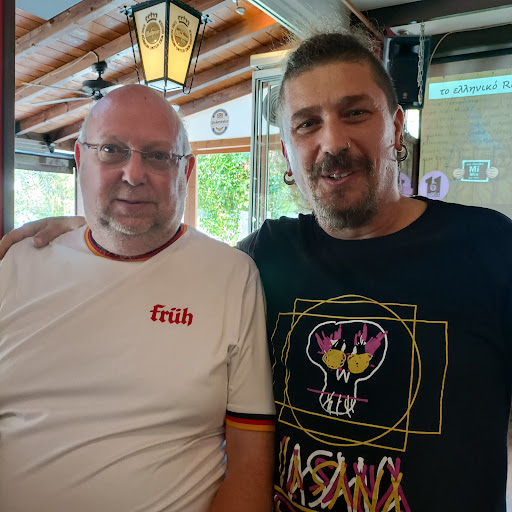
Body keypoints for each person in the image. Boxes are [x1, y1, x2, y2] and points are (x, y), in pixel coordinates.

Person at [2, 31, 512, 512]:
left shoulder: (490, 247)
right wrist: (91, 228)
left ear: (396, 128)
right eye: (306, 124)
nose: (333, 141)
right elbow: (156, 258)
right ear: (286, 151)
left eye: (355, 113)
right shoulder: (263, 257)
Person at [0, 85, 275, 512]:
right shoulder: (15, 264)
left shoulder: (232, 276)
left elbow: (250, 465)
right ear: (80, 160)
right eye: (111, 150)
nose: (133, 173)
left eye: (158, 155)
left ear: (186, 171)